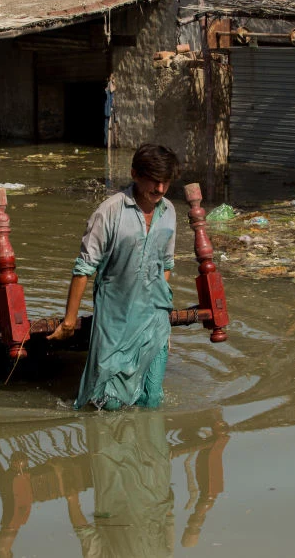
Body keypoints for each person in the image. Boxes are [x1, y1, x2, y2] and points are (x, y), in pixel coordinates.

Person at [48, 144, 180, 410]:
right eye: (154, 181)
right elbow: (85, 268)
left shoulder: (169, 212)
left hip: (154, 319)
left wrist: (157, 300)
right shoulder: (109, 211)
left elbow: (167, 262)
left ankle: (148, 451)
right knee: (107, 404)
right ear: (134, 174)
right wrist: (70, 320)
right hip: (116, 319)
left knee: (151, 398)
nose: (160, 189)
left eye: (165, 182)